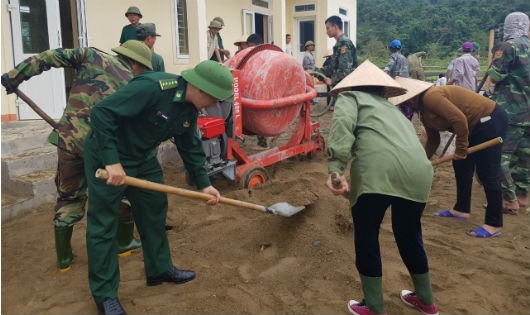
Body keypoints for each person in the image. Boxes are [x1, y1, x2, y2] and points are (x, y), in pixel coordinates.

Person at [84, 52, 233, 314]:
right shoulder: (152, 88)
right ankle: (105, 296)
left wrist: (203, 184)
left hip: (142, 159)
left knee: (154, 211)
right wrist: (111, 160)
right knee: (104, 225)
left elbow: (190, 144)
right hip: (108, 159)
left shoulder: (189, 108)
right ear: (198, 87)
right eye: (211, 98)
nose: (211, 104)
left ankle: (159, 269)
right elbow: (101, 113)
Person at [0, 41, 147, 272]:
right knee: (120, 193)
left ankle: (64, 260)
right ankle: (124, 243)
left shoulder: (90, 55)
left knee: (69, 197)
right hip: (104, 148)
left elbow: (50, 56)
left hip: (70, 141)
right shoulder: (134, 84)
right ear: (136, 63)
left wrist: (16, 76)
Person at [325, 60, 437, 315]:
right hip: (419, 171)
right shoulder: (393, 110)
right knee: (409, 234)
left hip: (377, 170)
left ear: (353, 86)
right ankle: (426, 301)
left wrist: (336, 169)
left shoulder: (350, 97)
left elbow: (342, 128)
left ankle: (374, 307)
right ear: (383, 91)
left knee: (366, 235)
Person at [389, 78, 508, 238]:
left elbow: (459, 120)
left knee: (487, 172)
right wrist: (423, 161)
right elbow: (433, 141)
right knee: (461, 166)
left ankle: (494, 224)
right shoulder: (423, 111)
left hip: (489, 121)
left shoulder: (431, 97)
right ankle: (461, 209)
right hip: (473, 127)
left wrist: (460, 149)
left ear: (411, 97)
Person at [487, 11, 530, 214]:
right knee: (524, 157)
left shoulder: (507, 46)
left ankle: (509, 200)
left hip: (511, 111)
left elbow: (495, 76)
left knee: (498, 156)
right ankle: (522, 197)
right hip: (528, 112)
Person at [320, 15, 358, 111]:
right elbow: (332, 68)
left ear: (335, 26)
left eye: (328, 28)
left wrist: (333, 80)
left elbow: (345, 70)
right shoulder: (339, 45)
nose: (326, 31)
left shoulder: (344, 43)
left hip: (347, 91)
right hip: (342, 90)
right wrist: (315, 72)